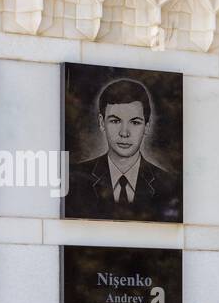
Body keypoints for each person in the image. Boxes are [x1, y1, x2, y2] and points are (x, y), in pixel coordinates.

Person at [66, 78, 180, 221]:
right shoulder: (75, 180)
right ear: (102, 123)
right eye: (115, 121)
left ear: (147, 126)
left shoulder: (168, 184)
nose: (124, 133)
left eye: (135, 122)